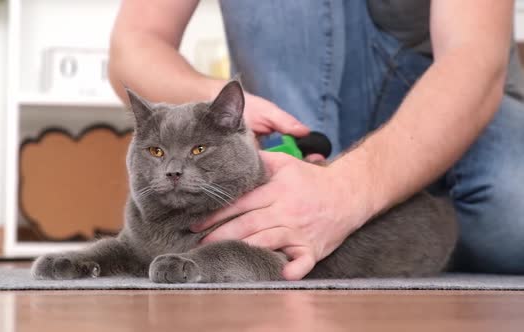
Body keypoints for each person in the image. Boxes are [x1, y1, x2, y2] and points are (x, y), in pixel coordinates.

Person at [108, 0, 524, 279]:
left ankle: (358, 223)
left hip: (450, 99)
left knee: (511, 218)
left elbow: (473, 56)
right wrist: (215, 110)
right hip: (298, 125)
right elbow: (134, 46)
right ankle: (287, 225)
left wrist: (348, 190)